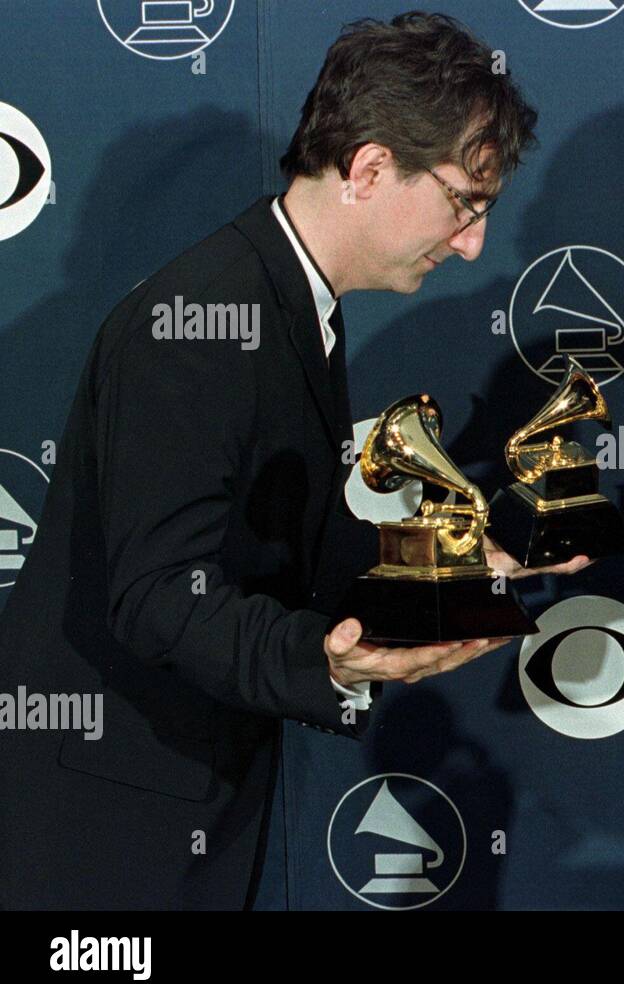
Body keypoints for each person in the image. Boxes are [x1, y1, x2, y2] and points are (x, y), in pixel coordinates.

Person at [0, 12, 582, 910]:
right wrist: (334, 662)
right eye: (466, 203)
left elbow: (272, 541)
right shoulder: (196, 323)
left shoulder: (292, 297)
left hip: (181, 788)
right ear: (371, 168)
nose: (471, 243)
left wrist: (440, 570)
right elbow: (158, 596)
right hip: (109, 824)